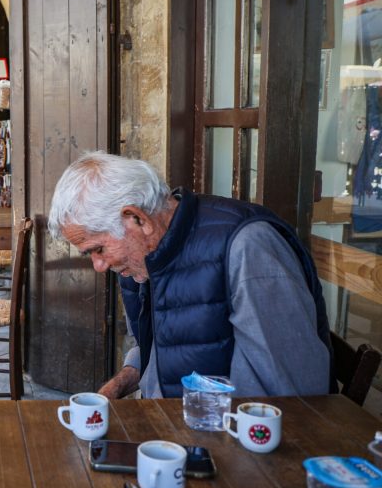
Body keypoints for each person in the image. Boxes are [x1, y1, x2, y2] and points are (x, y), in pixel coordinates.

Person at [47, 151, 332, 399]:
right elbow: (156, 349)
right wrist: (118, 385)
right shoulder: (141, 259)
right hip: (173, 429)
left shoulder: (247, 247)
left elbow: (294, 394)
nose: (98, 265)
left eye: (98, 249)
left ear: (136, 219)